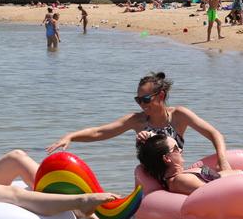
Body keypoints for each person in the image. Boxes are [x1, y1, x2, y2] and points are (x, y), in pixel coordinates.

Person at [46, 72, 232, 171]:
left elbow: (214, 134)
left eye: (145, 99)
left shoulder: (179, 116)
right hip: (148, 177)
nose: (142, 104)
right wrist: (71, 136)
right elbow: (100, 132)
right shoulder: (137, 121)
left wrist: (222, 161)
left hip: (173, 173)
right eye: (138, 100)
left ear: (161, 95)